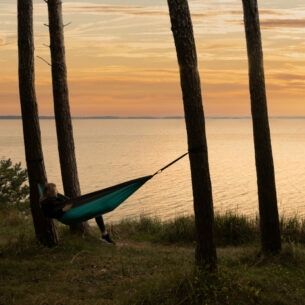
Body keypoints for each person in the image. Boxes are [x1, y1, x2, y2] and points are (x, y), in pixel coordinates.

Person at [40, 182, 115, 244]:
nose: (57, 191)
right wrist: (63, 210)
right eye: (55, 190)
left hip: (72, 211)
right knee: (96, 211)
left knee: (97, 210)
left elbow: (68, 200)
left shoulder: (57, 197)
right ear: (49, 192)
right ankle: (105, 236)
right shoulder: (45, 203)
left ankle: (104, 235)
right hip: (67, 216)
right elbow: (49, 214)